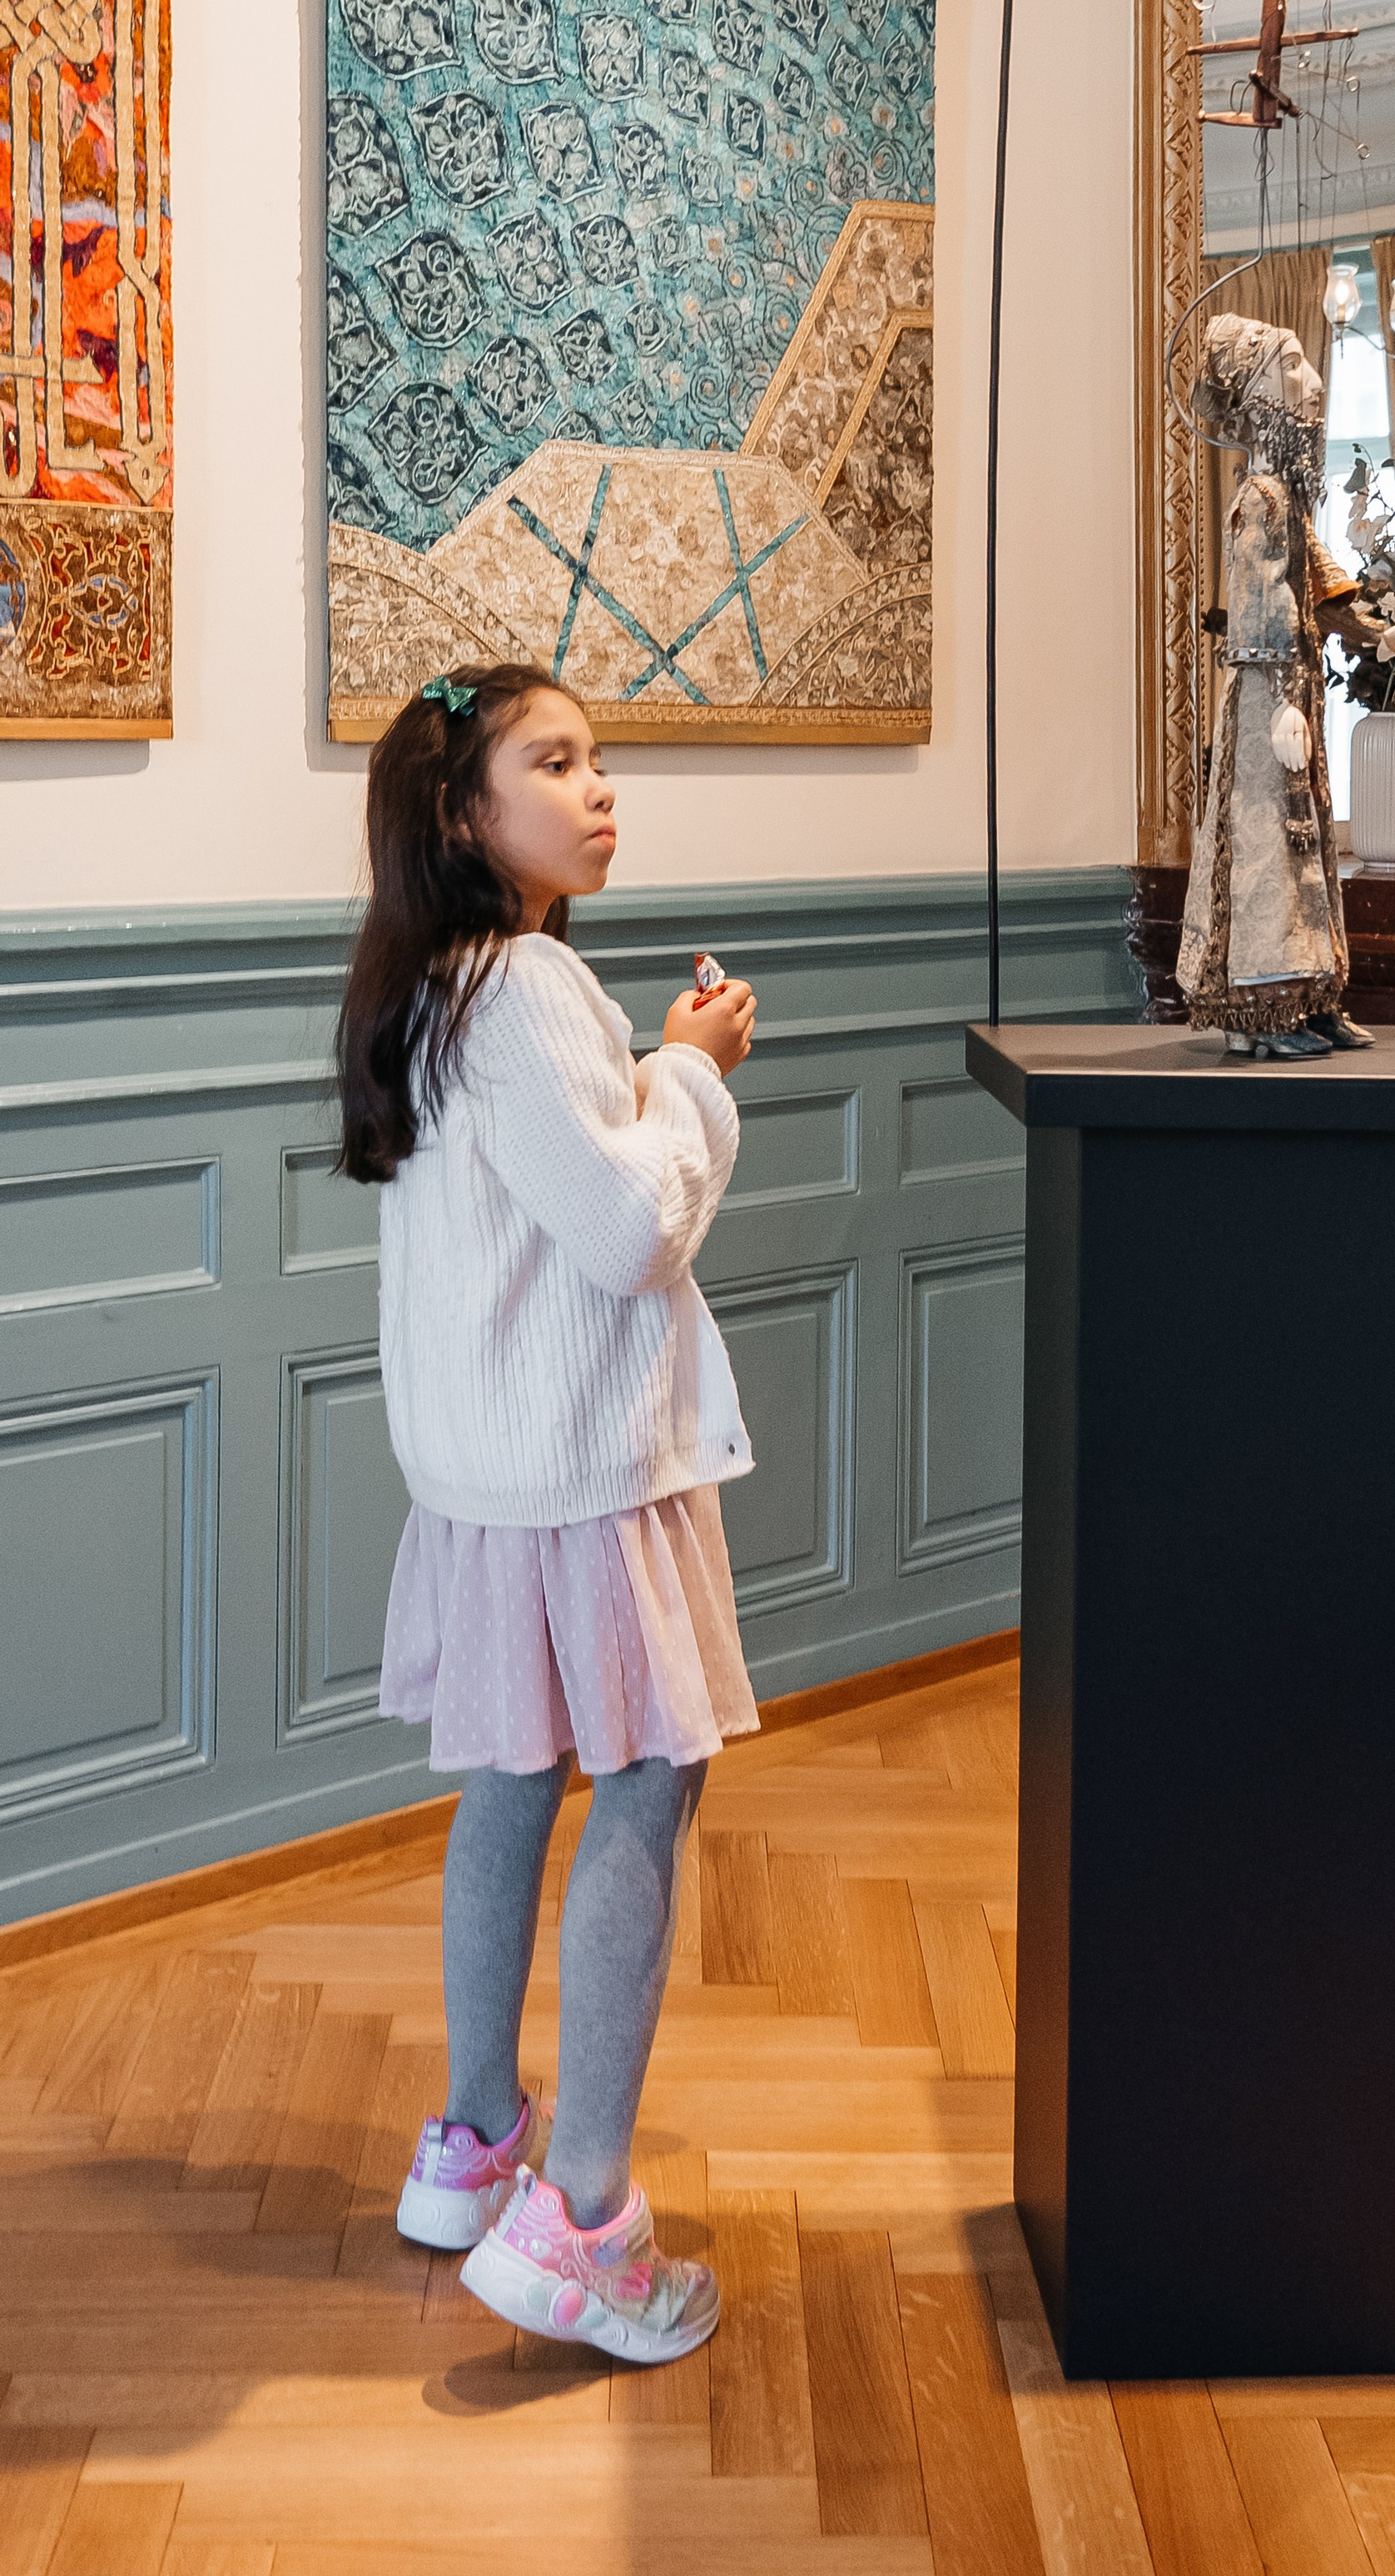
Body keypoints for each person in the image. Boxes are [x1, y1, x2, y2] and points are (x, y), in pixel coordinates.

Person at [337, 659, 759, 2366]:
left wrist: (655, 1071)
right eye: (557, 760)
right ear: (465, 807)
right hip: (586, 1472)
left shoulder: (429, 984)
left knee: (511, 1781)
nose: (599, 791)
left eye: (600, 760)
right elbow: (630, 1234)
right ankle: (582, 2217)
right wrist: (692, 1068)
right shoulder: (531, 985)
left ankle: (470, 2138)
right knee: (650, 1781)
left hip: (484, 1478)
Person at [1176, 313, 1371, 1057]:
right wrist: (1284, 704)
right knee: (1266, 841)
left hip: (1293, 694)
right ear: (1258, 389)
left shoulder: (1287, 497)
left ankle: (1312, 995)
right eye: (1292, 366)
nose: (1313, 382)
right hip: (1269, 702)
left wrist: (1385, 634)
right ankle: (1260, 1005)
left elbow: (1321, 589)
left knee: (1305, 840)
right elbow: (1262, 602)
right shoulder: (1259, 496)